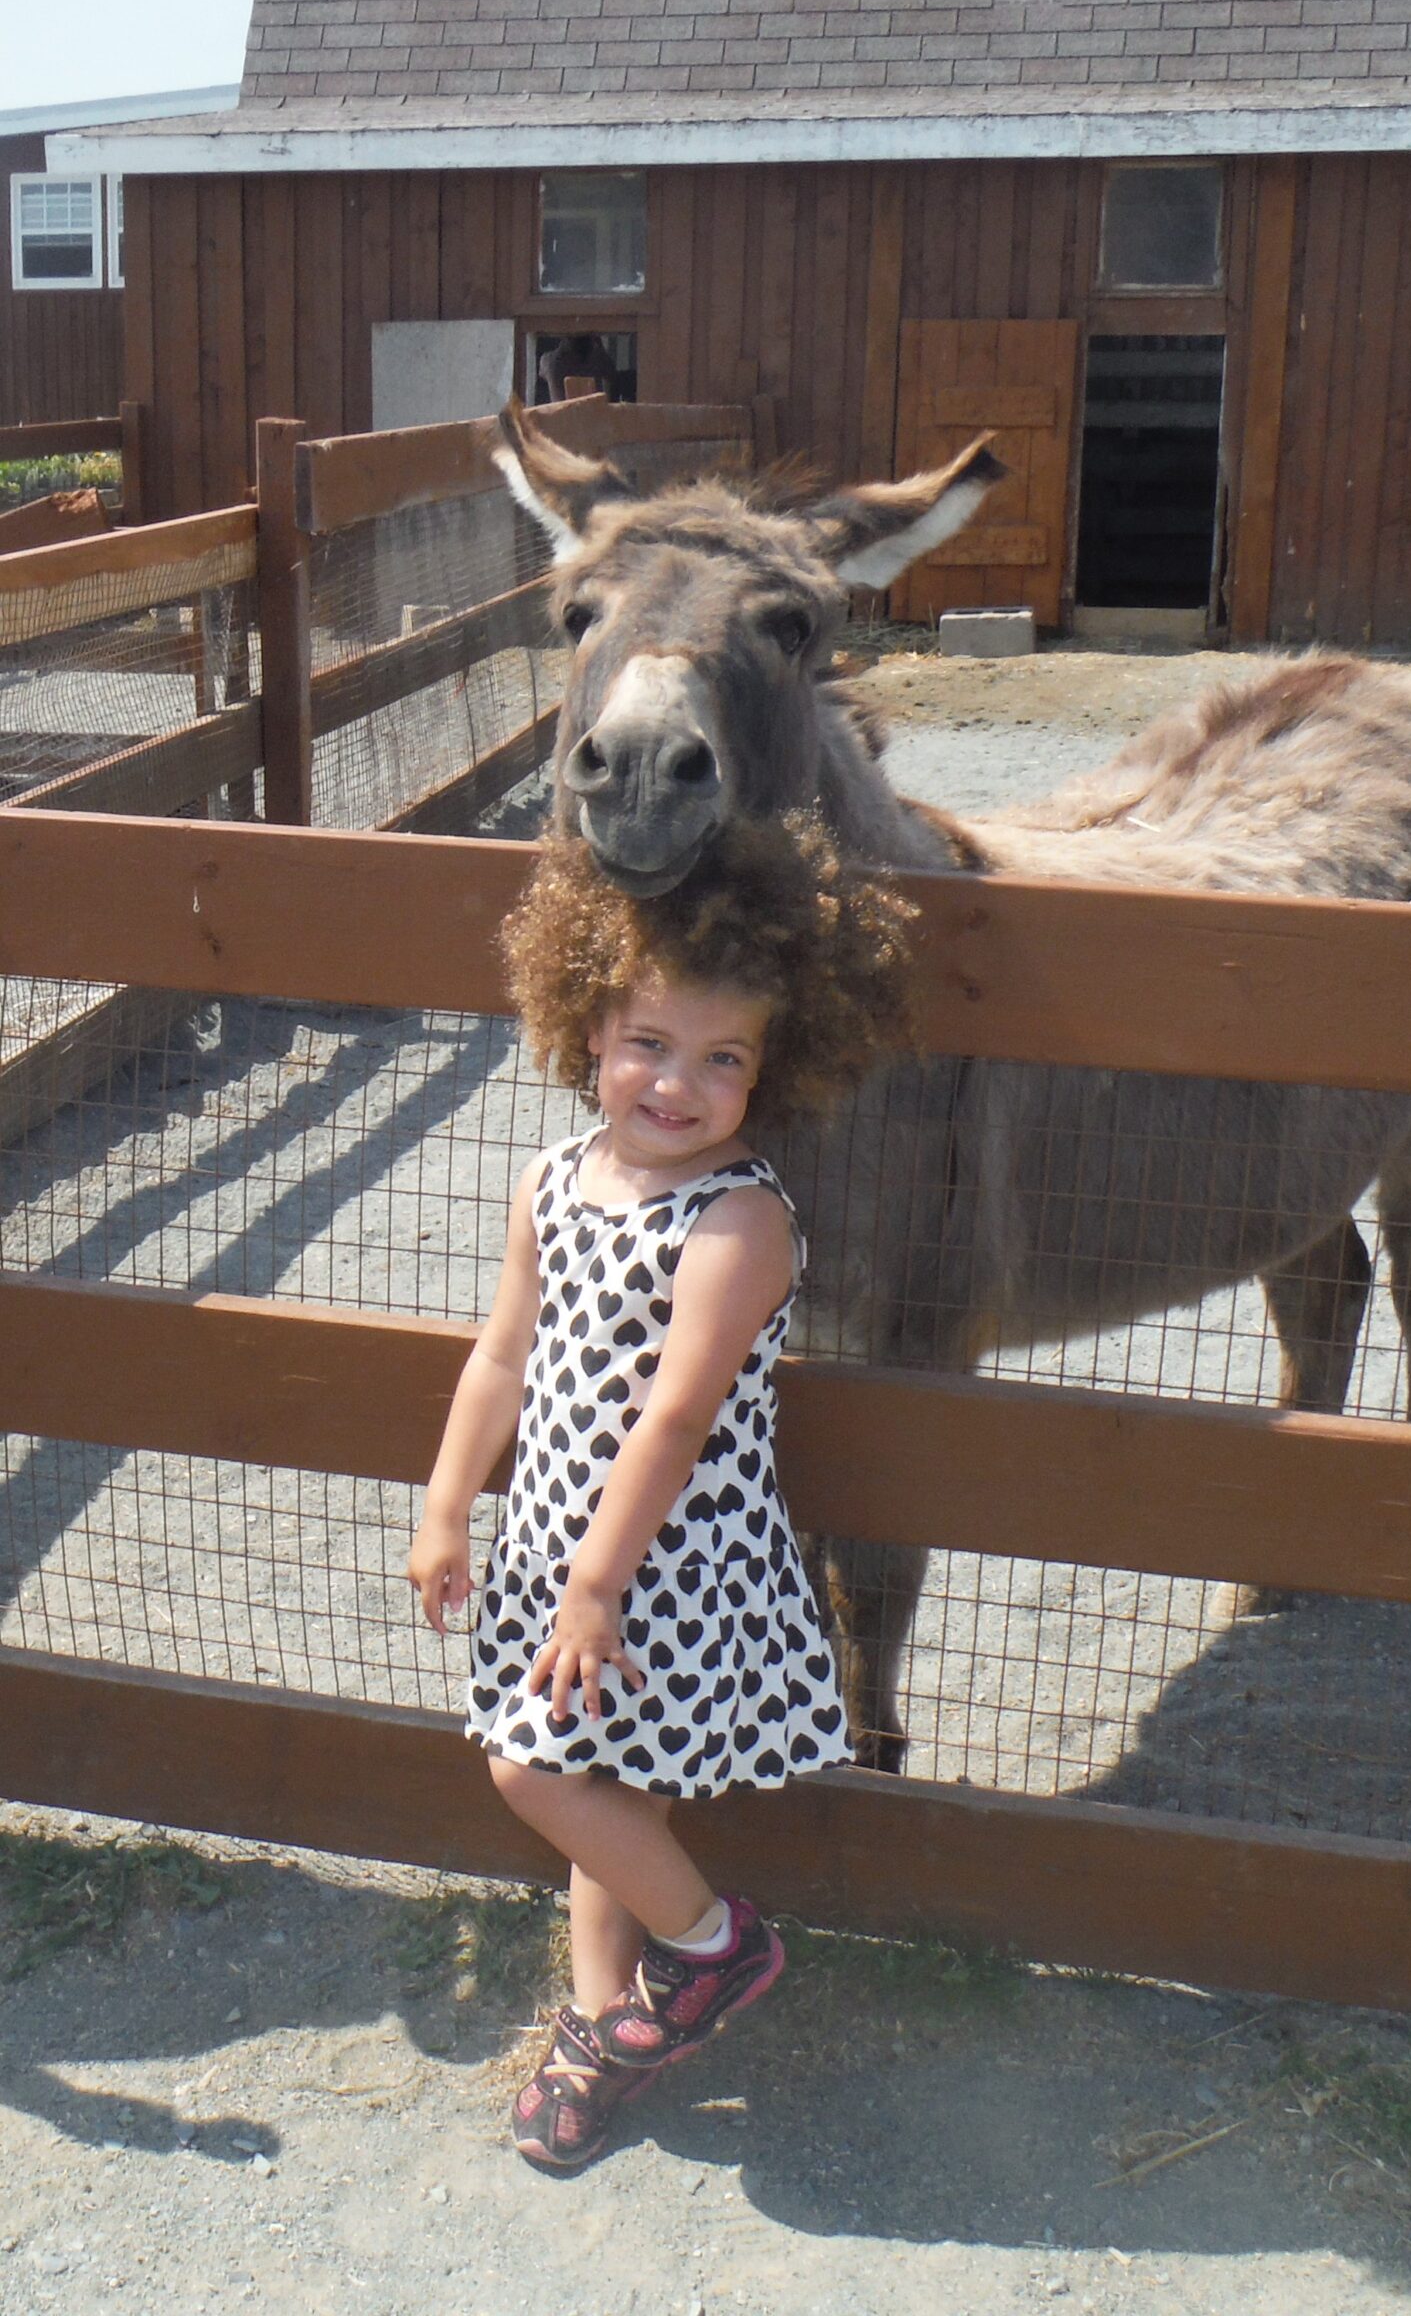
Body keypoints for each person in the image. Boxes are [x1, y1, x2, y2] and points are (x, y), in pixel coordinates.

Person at [407, 828, 909, 2171]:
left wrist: (596, 1586)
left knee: (533, 1765)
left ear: (771, 1070)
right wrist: (451, 1503)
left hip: (664, 1566)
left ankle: (713, 1949)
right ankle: (601, 2028)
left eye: (722, 1058)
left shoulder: (739, 1221)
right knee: (596, 1783)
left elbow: (677, 1415)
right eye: (647, 1044)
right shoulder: (550, 1183)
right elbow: (502, 1353)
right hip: (556, 1541)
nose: (677, 1084)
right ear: (585, 1028)